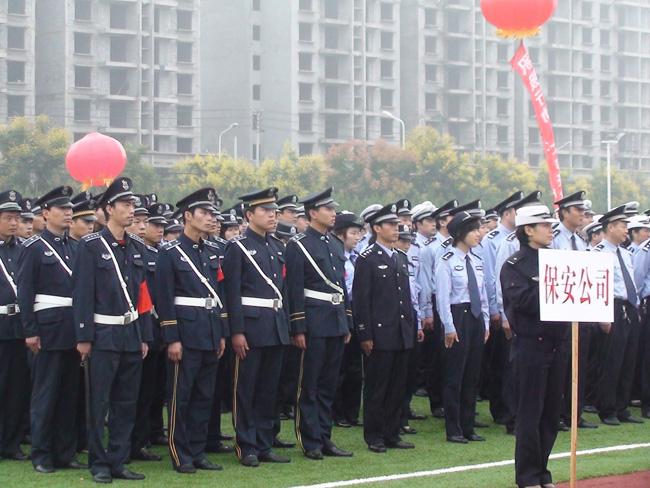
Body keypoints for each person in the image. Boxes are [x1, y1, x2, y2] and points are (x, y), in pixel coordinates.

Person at [73, 177, 153, 483]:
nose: (131, 210)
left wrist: (144, 335)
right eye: (125, 204)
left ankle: (119, 460)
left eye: (133, 204)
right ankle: (99, 462)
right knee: (99, 402)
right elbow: (82, 293)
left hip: (131, 334)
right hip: (103, 334)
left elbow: (142, 297)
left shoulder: (137, 247)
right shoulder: (91, 246)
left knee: (126, 402)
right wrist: (83, 337)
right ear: (109, 208)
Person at [156, 188, 227, 473]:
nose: (211, 218)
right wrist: (172, 338)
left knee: (203, 397)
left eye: (212, 213)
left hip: (208, 330)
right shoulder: (170, 253)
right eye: (204, 213)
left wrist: (221, 333)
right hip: (185, 333)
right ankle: (180, 452)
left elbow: (218, 294)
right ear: (188, 216)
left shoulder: (211, 251)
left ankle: (198, 451)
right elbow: (164, 299)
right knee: (180, 396)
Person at [18, 186, 86, 474]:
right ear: (45, 213)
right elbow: (25, 292)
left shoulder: (76, 247)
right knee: (45, 395)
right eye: (62, 209)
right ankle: (42, 454)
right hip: (47, 330)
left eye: (70, 209)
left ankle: (64, 452)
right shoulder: (33, 248)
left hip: (72, 330)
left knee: (69, 395)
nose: (69, 213)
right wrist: (30, 330)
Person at [222, 188, 290, 467]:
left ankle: (264, 442)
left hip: (274, 325)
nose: (272, 215)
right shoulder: (237, 247)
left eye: (274, 211)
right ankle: (246, 445)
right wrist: (236, 331)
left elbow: (282, 290)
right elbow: (231, 292)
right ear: (249, 215)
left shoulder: (276, 246)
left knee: (268, 390)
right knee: (246, 389)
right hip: (250, 328)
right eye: (266, 211)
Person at [501, 203, 567, 488]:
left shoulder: (558, 260)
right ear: (528, 230)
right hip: (531, 346)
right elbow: (523, 302)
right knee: (530, 414)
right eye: (545, 225)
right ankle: (527, 475)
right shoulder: (514, 266)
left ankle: (542, 471)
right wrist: (553, 285)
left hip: (557, 344)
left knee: (551, 414)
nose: (550, 230)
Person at [285, 188, 353, 460]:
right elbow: (294, 288)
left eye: (333, 208)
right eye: (327, 209)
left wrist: (346, 320)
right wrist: (298, 326)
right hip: (313, 320)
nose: (333, 213)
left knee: (328, 385)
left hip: (335, 320)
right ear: (313, 213)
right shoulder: (298, 244)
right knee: (309, 385)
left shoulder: (335, 243)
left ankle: (325, 437)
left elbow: (341, 286)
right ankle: (310, 439)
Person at [353, 203, 415, 453]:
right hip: (380, 333)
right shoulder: (367, 258)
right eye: (390, 224)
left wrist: (410, 327)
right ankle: (375, 435)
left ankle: (392, 432)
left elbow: (405, 298)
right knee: (377, 388)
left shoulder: (400, 257)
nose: (396, 229)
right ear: (377, 228)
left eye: (396, 224)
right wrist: (365, 334)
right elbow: (361, 300)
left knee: (397, 387)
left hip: (401, 331)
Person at [436, 209, 489, 444]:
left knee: (472, 374)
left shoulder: (476, 260)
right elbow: (443, 298)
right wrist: (449, 326)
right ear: (460, 233)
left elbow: (483, 295)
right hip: (458, 316)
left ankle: (468, 426)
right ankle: (453, 428)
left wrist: (485, 322)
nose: (478, 234)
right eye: (473, 230)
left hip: (475, 317)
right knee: (454, 375)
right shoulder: (447, 260)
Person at [592, 203, 644, 426]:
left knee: (628, 359)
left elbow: (631, 282)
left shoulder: (625, 253)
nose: (626, 230)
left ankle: (622, 406)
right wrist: (602, 317)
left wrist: (636, 307)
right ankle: (607, 408)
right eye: (623, 225)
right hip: (611, 307)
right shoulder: (598, 253)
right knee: (611, 361)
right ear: (611, 227)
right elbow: (597, 287)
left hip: (629, 307)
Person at [129, 202, 168, 463]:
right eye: (139, 221)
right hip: (132, 328)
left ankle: (146, 436)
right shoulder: (128, 252)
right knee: (133, 392)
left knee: (151, 390)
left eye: (146, 221)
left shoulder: (156, 253)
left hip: (154, 329)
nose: (143, 226)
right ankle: (133, 441)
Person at [482, 191, 524, 425]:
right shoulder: (494, 239)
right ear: (507, 213)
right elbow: (492, 276)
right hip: (503, 307)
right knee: (502, 362)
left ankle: (513, 407)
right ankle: (502, 409)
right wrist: (496, 309)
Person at [418, 199, 458, 418]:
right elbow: (425, 281)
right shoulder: (431, 248)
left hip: (455, 301)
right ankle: (437, 401)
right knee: (437, 355)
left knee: (454, 353)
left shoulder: (457, 245)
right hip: (435, 300)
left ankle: (454, 401)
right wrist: (426, 311)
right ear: (443, 222)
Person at [0, 190, 30, 461]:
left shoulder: (22, 249)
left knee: (16, 388)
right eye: (8, 217)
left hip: (18, 327)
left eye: (16, 218)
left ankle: (11, 442)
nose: (13, 223)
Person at [332, 211, 364, 428]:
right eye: (353, 233)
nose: (357, 237)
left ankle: (352, 412)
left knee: (355, 367)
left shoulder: (357, 257)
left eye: (359, 233)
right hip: (342, 310)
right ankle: (338, 412)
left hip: (357, 311)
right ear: (341, 234)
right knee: (340, 367)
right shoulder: (336, 258)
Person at [395, 224, 425, 434]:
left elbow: (415, 296)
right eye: (403, 241)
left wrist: (419, 323)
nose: (407, 245)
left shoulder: (405, 261)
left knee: (409, 372)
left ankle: (403, 413)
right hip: (395, 320)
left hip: (411, 318)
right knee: (396, 374)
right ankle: (395, 418)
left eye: (408, 241)